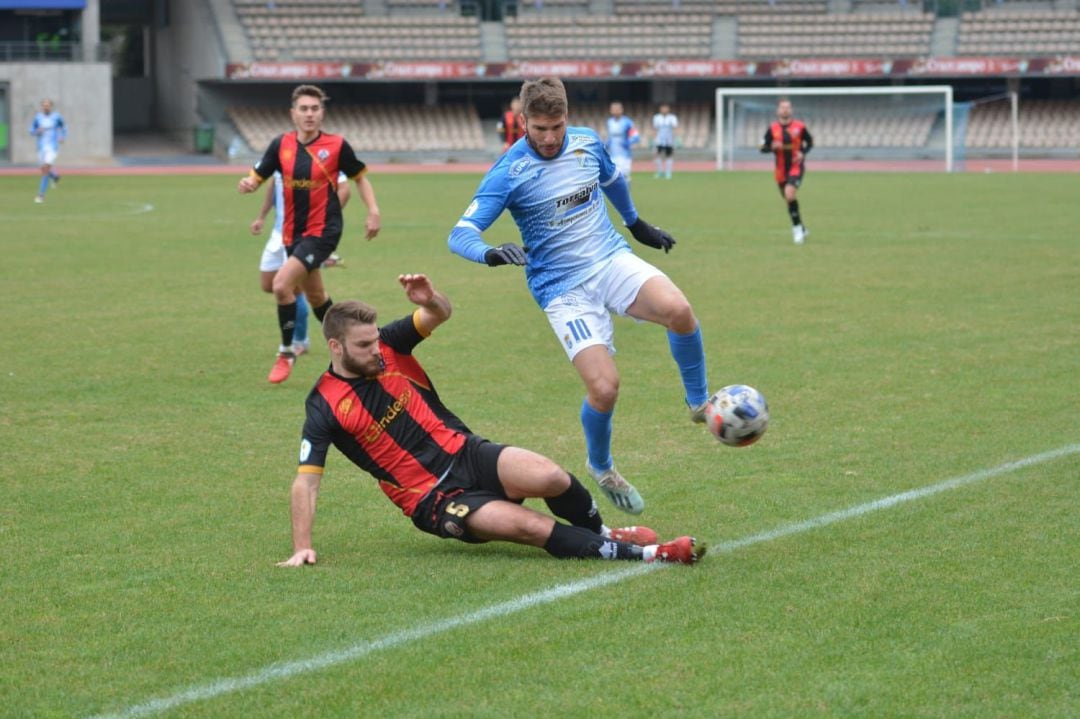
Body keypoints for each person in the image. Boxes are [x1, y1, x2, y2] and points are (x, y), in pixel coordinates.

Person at [277, 273, 706, 567]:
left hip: (467, 452)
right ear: (336, 347)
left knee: (550, 476)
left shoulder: (390, 345)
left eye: (375, 340)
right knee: (528, 526)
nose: (376, 349)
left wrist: (432, 300)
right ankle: (652, 557)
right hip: (432, 498)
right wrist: (303, 547)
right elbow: (307, 481)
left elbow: (438, 315)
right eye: (364, 345)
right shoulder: (325, 405)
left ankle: (605, 531)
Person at [447, 77, 711, 516]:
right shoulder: (508, 172)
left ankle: (699, 403)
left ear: (568, 117)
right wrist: (490, 253)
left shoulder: (587, 142)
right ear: (523, 122)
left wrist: (634, 222)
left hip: (609, 260)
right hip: (562, 288)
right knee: (605, 389)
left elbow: (612, 179)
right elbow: (460, 234)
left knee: (680, 311)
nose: (550, 138)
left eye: (557, 126)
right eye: (539, 129)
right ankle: (602, 466)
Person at [238, 84, 381, 385]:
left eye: (315, 109)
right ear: (293, 114)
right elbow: (259, 173)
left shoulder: (337, 146)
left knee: (280, 285)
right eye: (304, 109)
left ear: (322, 113)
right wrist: (250, 183)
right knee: (316, 296)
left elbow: (360, 179)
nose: (309, 114)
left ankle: (287, 351)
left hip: (323, 232)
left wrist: (373, 211)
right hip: (291, 234)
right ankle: (350, 351)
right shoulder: (281, 145)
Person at [249, 171, 351, 363]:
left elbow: (345, 188)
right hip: (279, 234)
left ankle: (298, 343)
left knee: (291, 288)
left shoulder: (323, 152)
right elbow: (272, 183)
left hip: (306, 237)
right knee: (269, 284)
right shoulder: (281, 151)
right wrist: (261, 216)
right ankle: (315, 264)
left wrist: (325, 221)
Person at [760, 98, 813, 245]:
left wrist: (803, 152)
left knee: (790, 194)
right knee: (789, 201)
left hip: (796, 166)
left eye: (788, 107)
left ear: (791, 110)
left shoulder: (800, 127)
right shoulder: (772, 129)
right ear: (778, 110)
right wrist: (772, 147)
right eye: (782, 107)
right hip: (780, 170)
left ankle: (796, 231)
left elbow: (810, 142)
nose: (785, 110)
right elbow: (762, 147)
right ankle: (801, 227)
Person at [30, 99, 65, 204]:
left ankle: (41, 195)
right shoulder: (38, 118)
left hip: (52, 147)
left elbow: (63, 127)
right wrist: (37, 131)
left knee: (45, 169)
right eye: (44, 105)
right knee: (43, 169)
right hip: (41, 147)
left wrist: (62, 136)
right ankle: (54, 176)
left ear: (51, 107)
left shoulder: (57, 117)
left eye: (48, 105)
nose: (46, 107)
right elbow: (31, 130)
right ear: (41, 107)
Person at [604, 101, 640, 182]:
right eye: (613, 109)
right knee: (613, 177)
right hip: (612, 154)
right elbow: (609, 136)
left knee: (625, 176)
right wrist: (606, 144)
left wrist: (628, 143)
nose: (615, 111)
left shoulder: (627, 122)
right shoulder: (609, 122)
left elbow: (636, 136)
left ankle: (627, 194)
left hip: (624, 155)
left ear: (621, 110)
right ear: (610, 110)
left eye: (617, 109)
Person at [651, 103, 679, 180]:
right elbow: (654, 129)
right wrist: (654, 139)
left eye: (666, 108)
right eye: (663, 108)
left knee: (669, 156)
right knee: (657, 155)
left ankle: (668, 172)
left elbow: (675, 128)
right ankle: (659, 172)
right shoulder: (656, 118)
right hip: (659, 140)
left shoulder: (672, 118)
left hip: (669, 140)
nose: (664, 110)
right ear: (660, 109)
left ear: (668, 109)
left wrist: (675, 139)